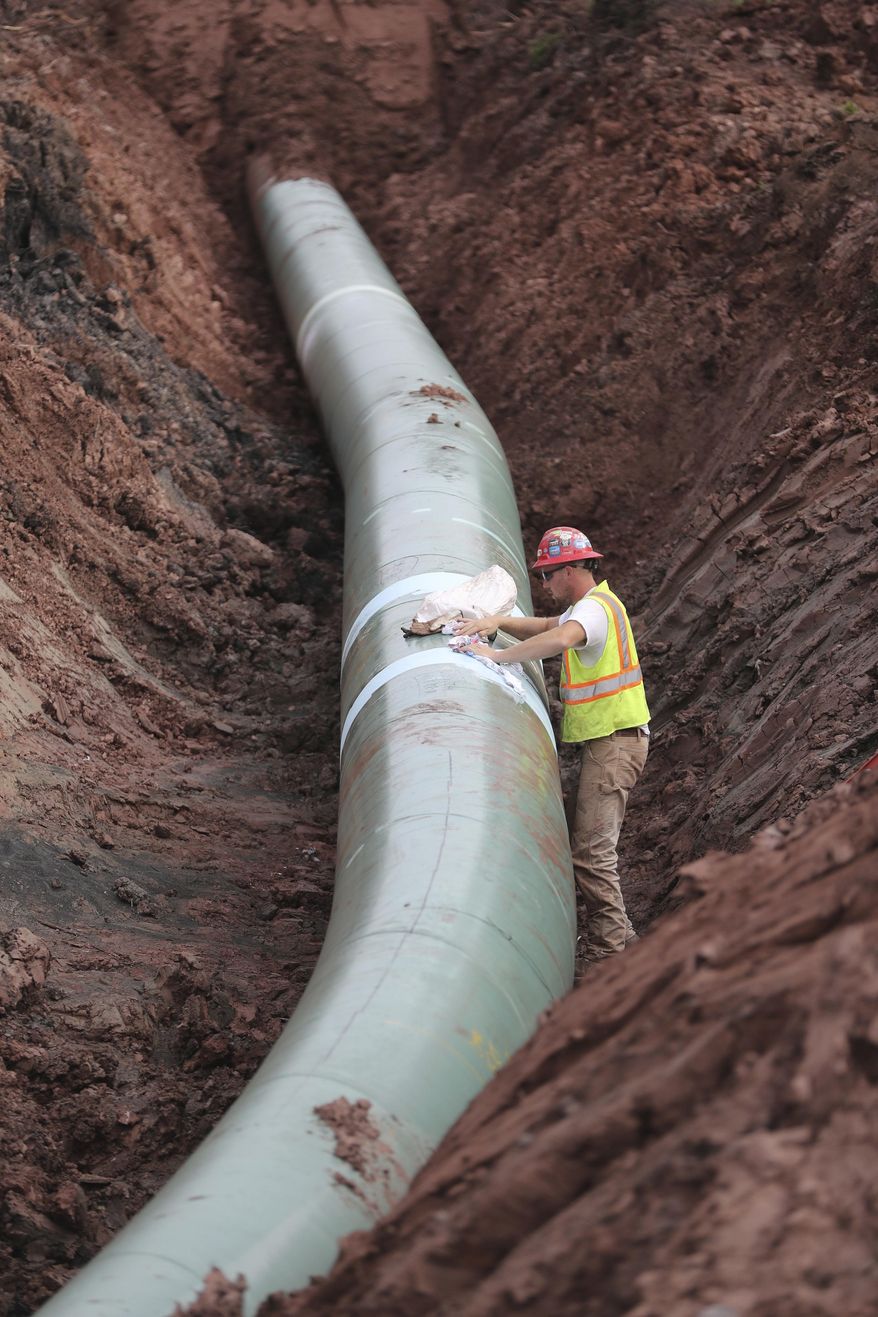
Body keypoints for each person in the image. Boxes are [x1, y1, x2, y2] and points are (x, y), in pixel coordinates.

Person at [456, 526, 650, 969]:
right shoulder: (594, 606)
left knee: (592, 854)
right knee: (593, 851)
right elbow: (547, 626)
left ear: (571, 570)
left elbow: (560, 639)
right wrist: (499, 622)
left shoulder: (594, 612)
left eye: (546, 575)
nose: (543, 585)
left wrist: (499, 657)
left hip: (615, 745)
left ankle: (610, 956)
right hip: (610, 743)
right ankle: (624, 943)